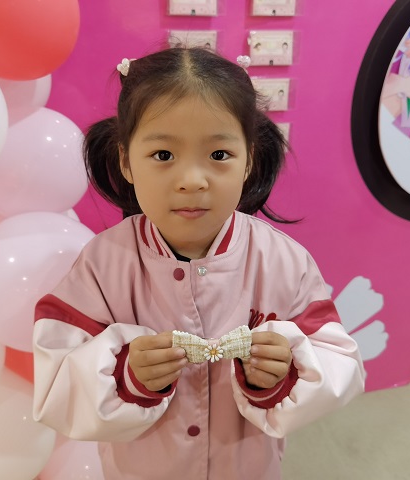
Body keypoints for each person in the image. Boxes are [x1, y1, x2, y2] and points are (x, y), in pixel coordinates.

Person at [32, 47, 365, 480]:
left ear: (249, 160)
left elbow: (341, 363)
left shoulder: (284, 261)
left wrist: (285, 372)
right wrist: (124, 374)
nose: (192, 180)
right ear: (126, 161)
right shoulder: (102, 264)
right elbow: (56, 382)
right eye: (163, 155)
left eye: (219, 155)